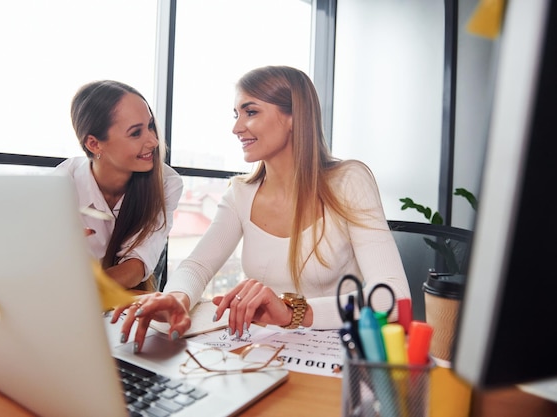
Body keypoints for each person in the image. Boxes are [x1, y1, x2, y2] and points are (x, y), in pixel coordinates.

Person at [111, 66, 410, 353]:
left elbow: (393, 296)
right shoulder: (241, 193)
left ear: (294, 116)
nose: (236, 127)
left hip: (339, 354)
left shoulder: (348, 181)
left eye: (251, 112)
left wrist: (294, 312)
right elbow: (197, 266)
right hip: (268, 350)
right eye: (236, 114)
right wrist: (177, 297)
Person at [54, 80, 183, 291]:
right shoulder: (62, 184)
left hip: (123, 299)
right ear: (94, 144)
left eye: (150, 126)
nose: (153, 141)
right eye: (135, 133)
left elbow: (135, 268)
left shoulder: (167, 183)